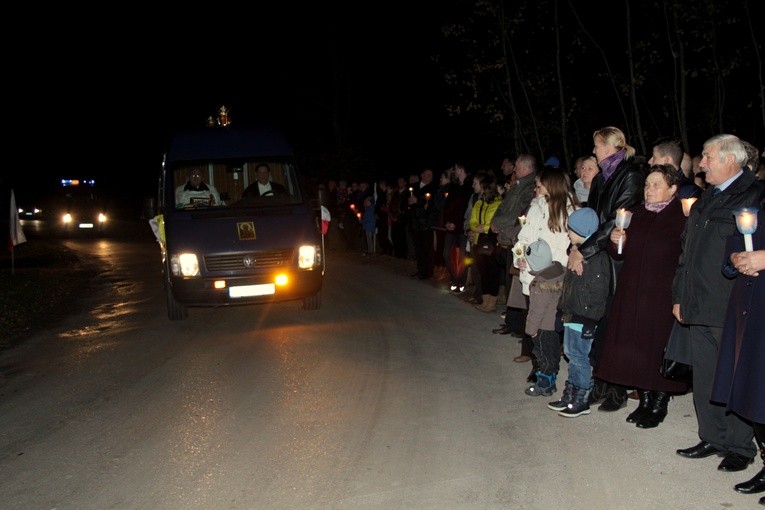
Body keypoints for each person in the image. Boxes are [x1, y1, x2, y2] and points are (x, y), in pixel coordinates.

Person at [671, 133, 763, 473]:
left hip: (732, 304)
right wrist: (679, 296)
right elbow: (687, 251)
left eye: (708, 157)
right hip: (697, 302)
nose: (701, 163)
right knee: (706, 374)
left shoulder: (755, 194)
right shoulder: (709, 196)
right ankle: (711, 436)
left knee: (735, 375)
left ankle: (740, 445)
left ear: (730, 159)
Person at [594, 165, 689, 429]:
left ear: (672, 189)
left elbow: (687, 256)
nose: (648, 190)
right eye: (647, 184)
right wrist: (615, 240)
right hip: (633, 290)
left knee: (655, 346)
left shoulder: (681, 216)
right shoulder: (634, 214)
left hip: (661, 293)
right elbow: (619, 254)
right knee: (635, 345)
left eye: (656, 185)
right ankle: (644, 399)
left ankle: (658, 402)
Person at [567, 126, 646, 412]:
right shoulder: (602, 177)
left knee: (616, 323)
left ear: (612, 147)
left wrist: (583, 250)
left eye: (597, 146)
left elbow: (616, 221)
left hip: (618, 258)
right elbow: (592, 217)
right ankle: (600, 381)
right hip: (599, 255)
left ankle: (617, 388)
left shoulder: (632, 176)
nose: (594, 151)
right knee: (597, 323)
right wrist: (577, 247)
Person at [711, 208, 765, 504]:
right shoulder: (760, 205)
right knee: (756, 390)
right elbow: (737, 242)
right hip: (753, 307)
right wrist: (736, 258)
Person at [510, 167, 577, 370]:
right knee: (532, 320)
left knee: (546, 324)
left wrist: (541, 267)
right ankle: (536, 364)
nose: (536, 188)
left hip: (550, 279)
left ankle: (547, 367)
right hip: (530, 275)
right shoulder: (535, 206)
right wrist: (520, 257)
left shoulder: (568, 210)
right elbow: (523, 237)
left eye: (539, 185)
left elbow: (564, 247)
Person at [551, 207, 610, 417]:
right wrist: (563, 309)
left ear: (582, 232)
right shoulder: (577, 254)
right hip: (572, 312)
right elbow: (570, 286)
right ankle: (571, 392)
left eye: (571, 230)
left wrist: (591, 318)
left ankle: (582, 396)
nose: (567, 233)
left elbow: (599, 292)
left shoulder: (595, 259)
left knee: (579, 356)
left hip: (584, 316)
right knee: (570, 353)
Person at [520, 239, 566, 397]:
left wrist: (531, 329)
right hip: (555, 324)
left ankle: (544, 385)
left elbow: (537, 310)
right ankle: (551, 382)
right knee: (552, 354)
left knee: (543, 356)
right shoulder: (560, 272)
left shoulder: (541, 283)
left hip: (543, 327)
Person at [468, 171, 502, 310]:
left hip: (492, 241)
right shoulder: (478, 203)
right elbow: (472, 220)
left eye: (476, 183)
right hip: (479, 240)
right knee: (482, 270)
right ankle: (485, 300)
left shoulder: (498, 202)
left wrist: (485, 228)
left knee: (492, 271)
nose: (473, 186)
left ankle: (492, 301)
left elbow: (499, 222)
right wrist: (476, 228)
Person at [442, 163, 473, 292]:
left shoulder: (469, 186)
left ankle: (461, 283)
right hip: (451, 227)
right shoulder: (454, 186)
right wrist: (447, 221)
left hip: (462, 228)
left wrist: (457, 223)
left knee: (463, 257)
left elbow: (466, 209)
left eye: (455, 169)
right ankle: (455, 278)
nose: (454, 172)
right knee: (446, 254)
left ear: (460, 170)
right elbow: (448, 205)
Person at [409, 169, 438, 279]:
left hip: (426, 223)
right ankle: (420, 269)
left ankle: (428, 272)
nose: (429, 177)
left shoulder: (433, 188)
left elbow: (430, 203)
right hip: (415, 222)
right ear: (422, 175)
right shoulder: (414, 187)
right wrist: (409, 202)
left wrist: (418, 202)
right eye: (427, 175)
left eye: (431, 175)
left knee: (427, 248)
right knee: (418, 248)